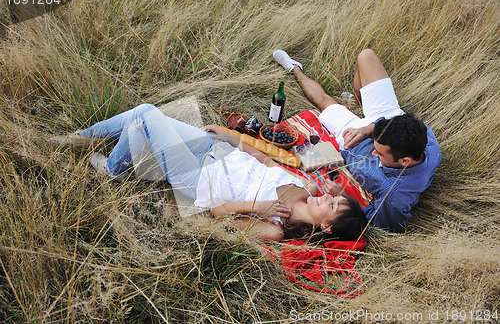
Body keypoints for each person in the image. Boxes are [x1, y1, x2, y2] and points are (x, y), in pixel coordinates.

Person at [71, 103, 367, 242]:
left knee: (146, 115)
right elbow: (264, 161)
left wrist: (256, 206)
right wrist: (230, 137)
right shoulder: (308, 189)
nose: (325, 200)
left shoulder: (276, 228)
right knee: (143, 117)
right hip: (215, 151)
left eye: (331, 206)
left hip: (199, 178)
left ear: (326, 227)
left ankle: (112, 168)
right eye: (333, 199)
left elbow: (217, 212)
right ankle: (82, 138)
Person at [273, 49, 442, 232]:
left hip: (350, 143)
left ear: (405, 161)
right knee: (366, 56)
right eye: (376, 148)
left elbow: (376, 224)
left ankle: (295, 69)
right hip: (381, 122)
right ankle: (357, 100)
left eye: (379, 153)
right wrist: (366, 130)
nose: (374, 152)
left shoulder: (394, 196)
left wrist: (342, 195)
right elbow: (397, 120)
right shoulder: (426, 140)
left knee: (323, 101)